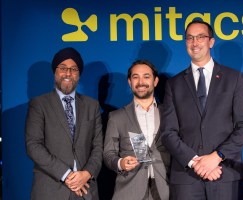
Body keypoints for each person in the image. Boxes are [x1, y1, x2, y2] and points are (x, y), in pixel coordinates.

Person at [160, 20, 243, 200]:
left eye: (200, 37)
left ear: (211, 42)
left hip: (224, 173)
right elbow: (168, 133)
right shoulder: (174, 84)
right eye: (189, 38)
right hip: (186, 178)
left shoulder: (234, 79)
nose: (195, 43)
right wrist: (196, 162)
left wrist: (217, 157)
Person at [25, 47, 103, 200]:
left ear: (79, 74)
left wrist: (86, 174)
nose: (68, 73)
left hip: (86, 190)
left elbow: (98, 147)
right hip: (50, 190)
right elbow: (33, 145)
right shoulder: (39, 104)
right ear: (55, 72)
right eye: (63, 68)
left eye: (73, 69)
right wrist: (66, 174)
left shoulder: (92, 105)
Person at [103, 60, 170, 200]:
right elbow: (109, 154)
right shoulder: (116, 117)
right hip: (129, 190)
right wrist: (120, 163)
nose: (141, 82)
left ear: (155, 81)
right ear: (129, 82)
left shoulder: (169, 113)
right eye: (135, 77)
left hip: (166, 189)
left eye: (146, 77)